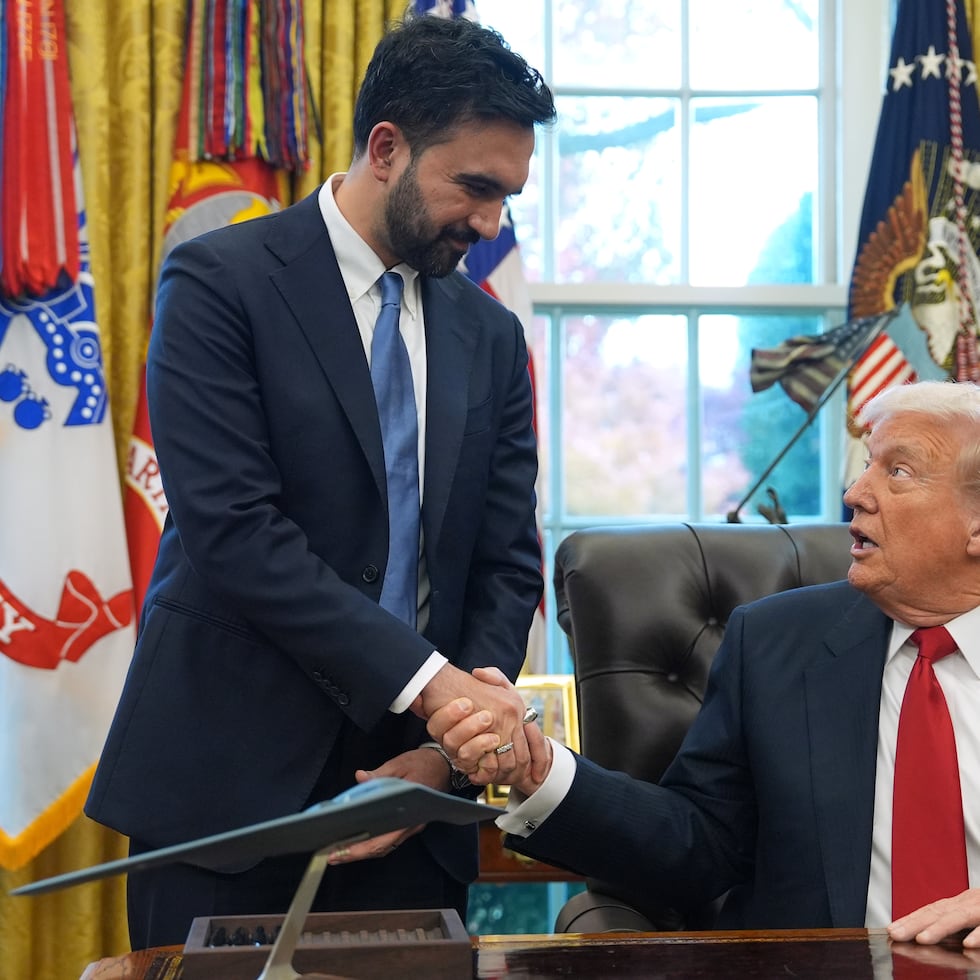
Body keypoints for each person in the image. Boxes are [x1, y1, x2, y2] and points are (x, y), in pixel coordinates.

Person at [85, 13, 555, 949]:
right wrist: (440, 690)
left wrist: (449, 742)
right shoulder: (220, 282)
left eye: (508, 197)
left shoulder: (491, 336)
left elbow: (506, 558)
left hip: (414, 805)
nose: (490, 222)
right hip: (225, 794)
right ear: (386, 147)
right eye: (475, 187)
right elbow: (236, 534)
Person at [429, 379, 980, 946]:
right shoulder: (774, 644)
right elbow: (703, 844)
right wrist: (539, 771)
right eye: (867, 465)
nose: (856, 492)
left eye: (899, 472)